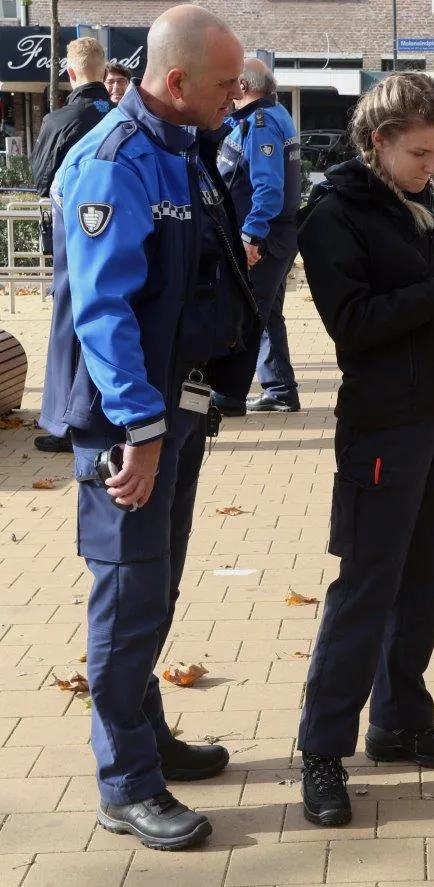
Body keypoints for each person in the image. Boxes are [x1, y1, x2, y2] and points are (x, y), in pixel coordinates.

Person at [39, 4, 258, 851]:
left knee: (155, 588)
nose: (236, 96)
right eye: (223, 82)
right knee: (128, 599)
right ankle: (125, 783)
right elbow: (103, 314)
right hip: (130, 427)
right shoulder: (117, 162)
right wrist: (142, 425)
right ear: (174, 84)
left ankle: (147, 736)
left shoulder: (182, 147)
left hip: (172, 414)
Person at [294, 72, 434, 828]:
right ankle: (323, 748)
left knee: (425, 577)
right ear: (377, 140)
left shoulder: (421, 201)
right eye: (421, 152)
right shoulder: (332, 214)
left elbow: (428, 299)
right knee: (367, 586)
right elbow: (353, 323)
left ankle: (398, 720)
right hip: (385, 425)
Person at [29, 36, 113, 456]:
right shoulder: (121, 118)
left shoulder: (59, 120)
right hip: (116, 234)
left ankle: (63, 421)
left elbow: (40, 180)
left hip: (72, 234)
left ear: (69, 72)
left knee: (67, 323)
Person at [213, 58, 303, 415]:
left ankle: (229, 395)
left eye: (234, 83)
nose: (230, 89)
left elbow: (267, 189)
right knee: (266, 314)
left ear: (246, 88)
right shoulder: (275, 116)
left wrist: (251, 237)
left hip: (264, 237)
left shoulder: (260, 123)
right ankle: (280, 389)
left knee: (246, 314)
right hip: (277, 234)